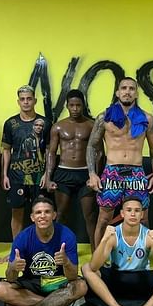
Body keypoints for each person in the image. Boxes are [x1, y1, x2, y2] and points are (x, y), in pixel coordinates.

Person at [86, 77, 153, 246]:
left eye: (131, 88)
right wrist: (92, 174)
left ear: (136, 93)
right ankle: (98, 263)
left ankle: (141, 261)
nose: (127, 91)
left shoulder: (147, 119)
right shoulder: (104, 118)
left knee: (143, 219)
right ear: (117, 92)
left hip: (136, 173)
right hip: (112, 172)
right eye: (124, 88)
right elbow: (91, 146)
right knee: (104, 219)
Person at [0, 197, 87, 306]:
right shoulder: (22, 238)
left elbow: (72, 277)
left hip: (57, 282)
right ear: (32, 217)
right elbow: (11, 278)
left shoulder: (67, 235)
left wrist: (66, 262)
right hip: (32, 282)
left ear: (54, 215)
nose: (42, 216)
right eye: (38, 212)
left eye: (47, 212)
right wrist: (13, 267)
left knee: (81, 286)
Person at [45, 89, 98, 251]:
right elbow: (51, 153)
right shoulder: (58, 126)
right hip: (63, 172)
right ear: (67, 106)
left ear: (83, 105)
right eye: (72, 105)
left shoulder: (91, 125)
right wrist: (48, 177)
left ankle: (96, 252)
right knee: (60, 214)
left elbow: (100, 151)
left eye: (78, 105)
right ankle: (57, 251)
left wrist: (95, 174)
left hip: (85, 173)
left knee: (90, 216)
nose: (75, 109)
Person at [2, 85, 51, 239]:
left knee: (41, 213)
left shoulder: (45, 122)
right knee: (17, 212)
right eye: (22, 99)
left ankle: (40, 246)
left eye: (29, 99)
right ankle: (17, 249)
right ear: (18, 101)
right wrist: (4, 175)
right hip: (17, 176)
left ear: (35, 100)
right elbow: (6, 150)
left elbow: (50, 151)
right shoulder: (10, 123)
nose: (26, 102)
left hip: (38, 177)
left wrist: (47, 175)